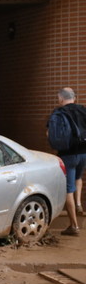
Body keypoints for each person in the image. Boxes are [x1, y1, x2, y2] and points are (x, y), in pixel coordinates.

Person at [47, 87, 86, 235]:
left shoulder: (58, 113)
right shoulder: (83, 110)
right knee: (78, 177)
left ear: (61, 98)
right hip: (84, 153)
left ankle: (74, 226)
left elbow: (49, 134)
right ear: (74, 98)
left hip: (68, 155)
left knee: (68, 189)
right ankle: (78, 203)